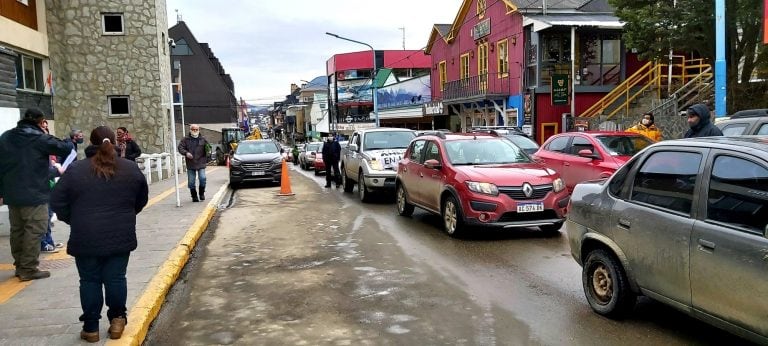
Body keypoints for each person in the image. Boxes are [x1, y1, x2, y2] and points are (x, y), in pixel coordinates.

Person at [50, 126, 149, 343]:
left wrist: (74, 218)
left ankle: (91, 327)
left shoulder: (76, 170)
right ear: (113, 141)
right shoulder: (129, 168)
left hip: (85, 236)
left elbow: (57, 200)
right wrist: (126, 214)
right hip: (119, 234)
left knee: (89, 280)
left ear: (90, 143)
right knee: (116, 277)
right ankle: (117, 320)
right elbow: (141, 198)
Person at [0, 108, 73, 281]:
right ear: (41, 123)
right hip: (34, 194)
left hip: (13, 194)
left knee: (17, 231)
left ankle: (19, 265)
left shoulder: (6, 137)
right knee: (35, 229)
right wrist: (48, 134)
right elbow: (65, 148)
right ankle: (28, 268)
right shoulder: (38, 138)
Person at [178, 124, 210, 202]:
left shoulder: (203, 139)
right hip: (190, 163)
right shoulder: (185, 139)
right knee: (191, 181)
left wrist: (208, 153)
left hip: (201, 162)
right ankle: (194, 195)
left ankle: (201, 193)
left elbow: (208, 148)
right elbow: (180, 147)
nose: (195, 131)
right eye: (193, 129)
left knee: (202, 178)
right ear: (190, 130)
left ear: (199, 130)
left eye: (196, 129)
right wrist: (186, 153)